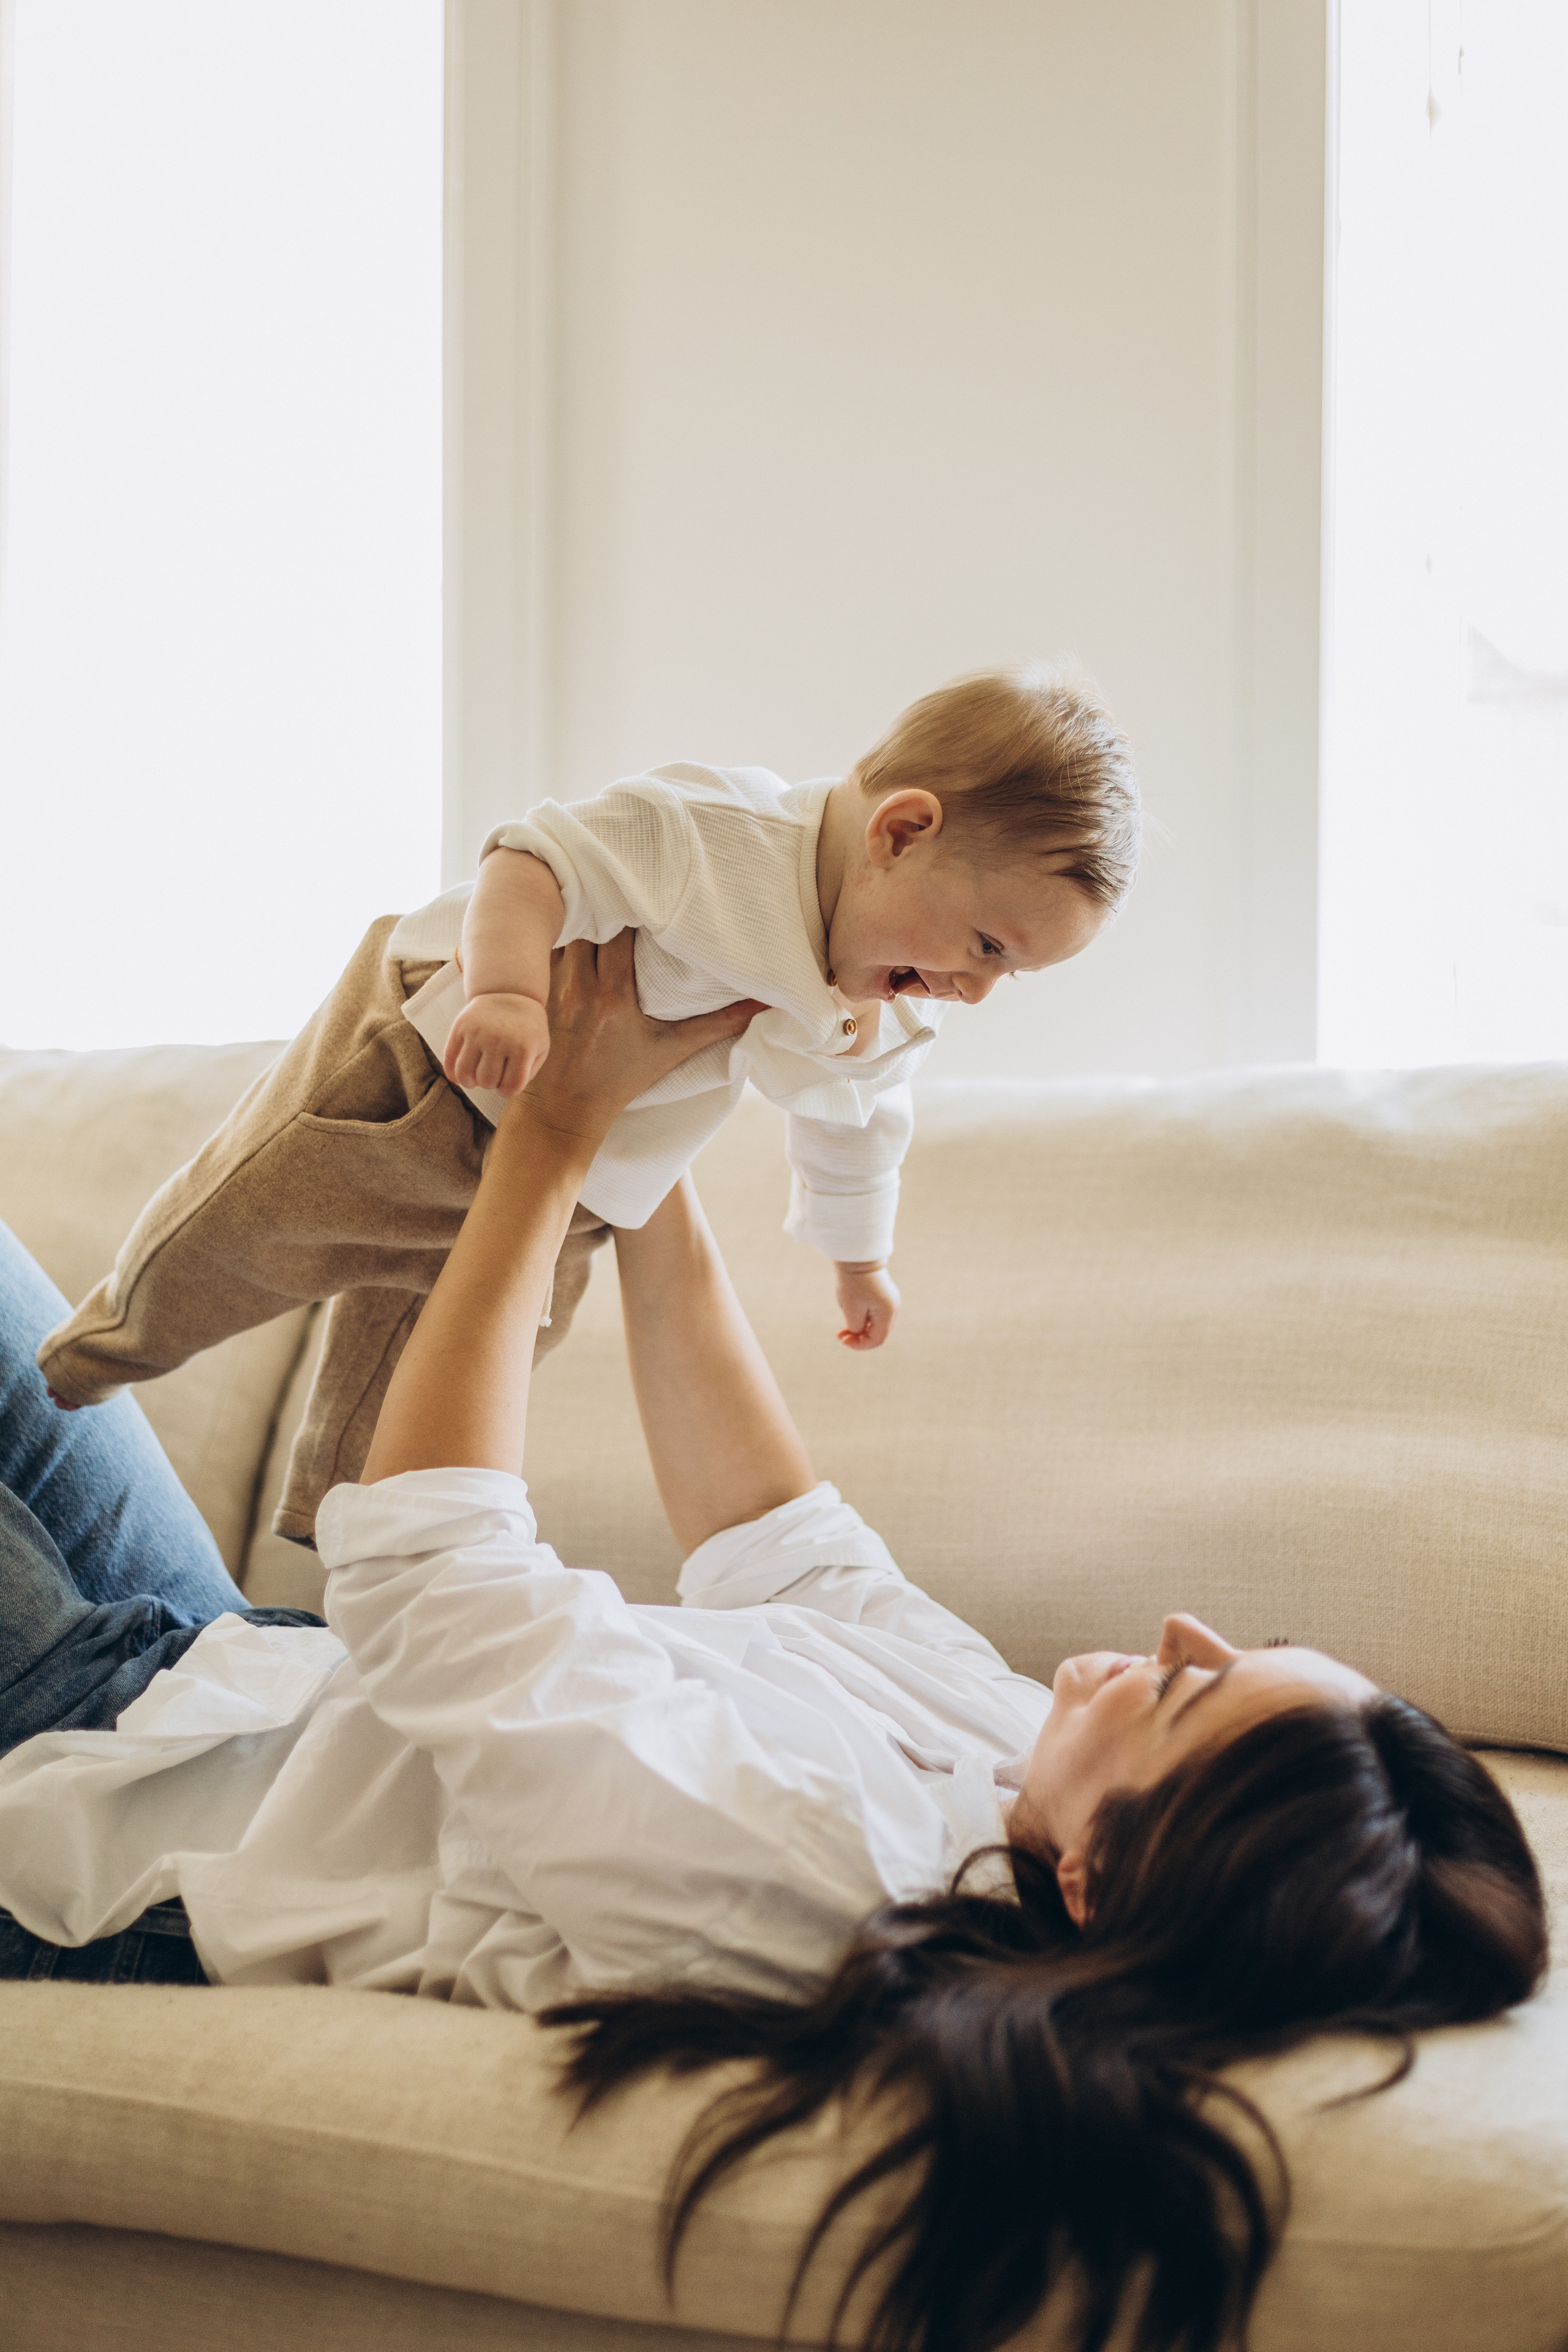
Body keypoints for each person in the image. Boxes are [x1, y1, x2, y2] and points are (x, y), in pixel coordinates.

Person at [1, 938, 1545, 2352]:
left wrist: (539, 1155)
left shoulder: (793, 1885)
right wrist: (627, 1134)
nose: (1176, 1630)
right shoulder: (1009, 1747)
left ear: (1097, 1880)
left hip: (98, 1816)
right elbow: (782, 1537)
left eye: (1192, 1692)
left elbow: (425, 1572)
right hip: (221, 1668)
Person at [35, 663, 1139, 1547]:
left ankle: (354, 1540)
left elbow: (858, 1125)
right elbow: (533, 859)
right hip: (434, 1064)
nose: (978, 990)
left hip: (578, 1186)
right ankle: (91, 1353)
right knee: (254, 1222)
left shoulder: (886, 1006)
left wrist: (858, 1259)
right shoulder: (719, 834)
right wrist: (513, 994)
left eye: (1011, 976)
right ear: (901, 832)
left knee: (470, 1367)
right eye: (985, 946)